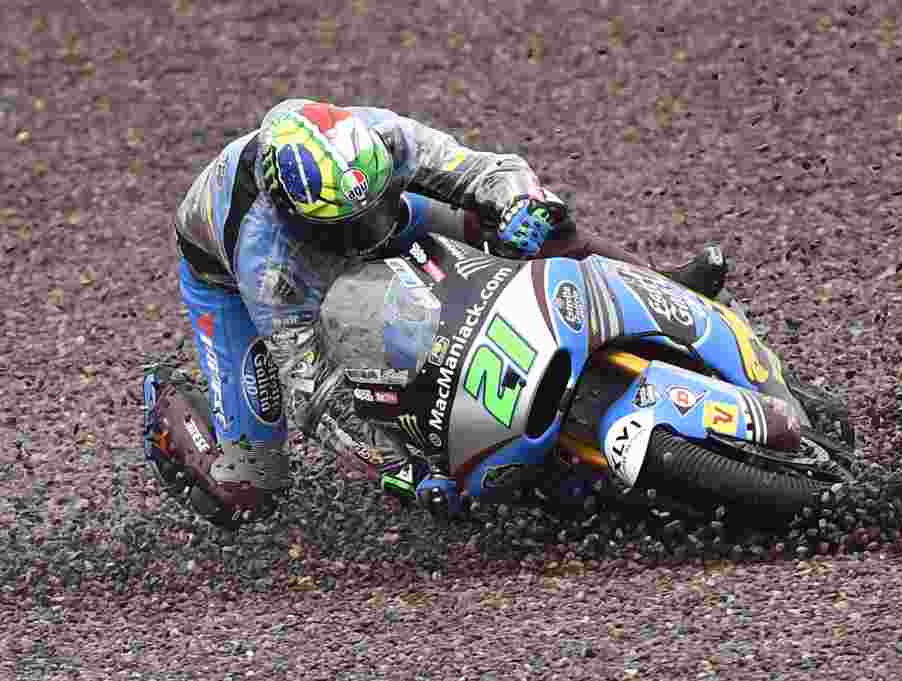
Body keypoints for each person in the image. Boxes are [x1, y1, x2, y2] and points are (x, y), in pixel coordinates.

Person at [144, 99, 728, 528]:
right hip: (235, 289)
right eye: (349, 227)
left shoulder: (381, 140)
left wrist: (520, 204)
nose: (368, 236)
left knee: (529, 227)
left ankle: (655, 281)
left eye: (370, 210)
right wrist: (400, 469)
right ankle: (172, 419)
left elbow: (485, 170)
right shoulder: (267, 262)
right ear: (295, 217)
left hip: (377, 206)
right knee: (250, 492)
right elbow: (315, 394)